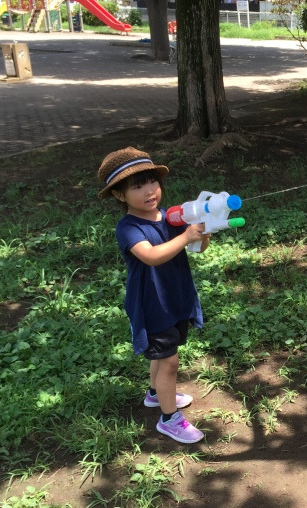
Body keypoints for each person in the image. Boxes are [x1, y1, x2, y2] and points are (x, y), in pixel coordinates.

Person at [97, 147, 209, 444]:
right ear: (120, 195)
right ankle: (170, 419)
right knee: (169, 361)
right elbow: (151, 256)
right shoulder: (129, 227)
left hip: (175, 296)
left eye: (152, 183)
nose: (149, 191)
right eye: (138, 187)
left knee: (163, 355)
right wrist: (185, 236)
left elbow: (199, 247)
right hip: (151, 302)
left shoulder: (170, 217)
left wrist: (203, 229)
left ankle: (155, 394)